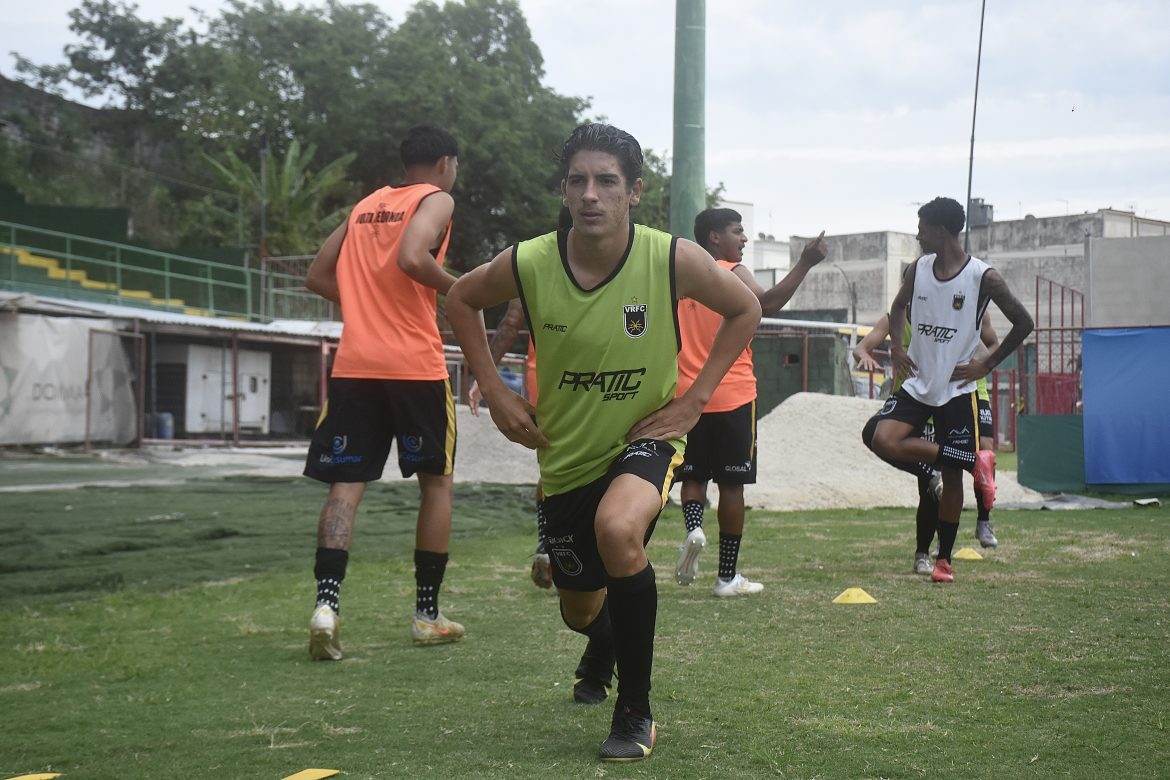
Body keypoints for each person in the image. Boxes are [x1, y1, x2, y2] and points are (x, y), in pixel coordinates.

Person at [446, 123, 760, 762]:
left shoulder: (670, 257)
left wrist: (695, 399)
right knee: (579, 612)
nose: (591, 194)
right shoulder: (531, 260)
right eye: (578, 181)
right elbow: (458, 297)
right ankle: (606, 642)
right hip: (565, 457)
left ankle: (635, 713)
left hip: (645, 440)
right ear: (563, 191)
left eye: (607, 182)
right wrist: (493, 388)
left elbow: (746, 309)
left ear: (634, 191)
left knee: (619, 531)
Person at [301, 124, 465, 660]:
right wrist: (464, 292)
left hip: (356, 365)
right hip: (414, 367)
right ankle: (426, 616)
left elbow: (318, 275)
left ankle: (326, 608)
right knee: (436, 485)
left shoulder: (364, 206)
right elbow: (413, 259)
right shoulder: (437, 199)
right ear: (445, 162)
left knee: (346, 484)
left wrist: (368, 310)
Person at [862, 196, 1033, 583]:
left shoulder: (983, 277)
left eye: (922, 227)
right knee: (879, 437)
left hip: (957, 388)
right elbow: (898, 306)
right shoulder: (918, 269)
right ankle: (969, 458)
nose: (918, 234)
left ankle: (944, 560)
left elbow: (1023, 322)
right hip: (919, 383)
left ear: (941, 230)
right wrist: (897, 346)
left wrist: (986, 363)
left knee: (952, 478)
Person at [674, 208, 827, 595]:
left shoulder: (681, 280)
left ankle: (693, 529)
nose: (744, 240)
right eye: (738, 231)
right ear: (714, 238)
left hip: (687, 396)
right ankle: (726, 577)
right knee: (731, 485)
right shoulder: (732, 272)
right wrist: (805, 262)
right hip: (733, 394)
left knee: (692, 477)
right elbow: (768, 304)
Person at [855, 312, 1001, 575]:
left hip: (960, 393)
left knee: (961, 467)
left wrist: (980, 365)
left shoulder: (962, 305)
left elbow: (992, 344)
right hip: (914, 395)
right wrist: (870, 353)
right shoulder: (899, 313)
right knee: (878, 437)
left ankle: (974, 529)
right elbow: (862, 346)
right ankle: (924, 553)